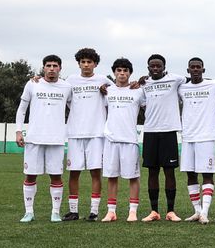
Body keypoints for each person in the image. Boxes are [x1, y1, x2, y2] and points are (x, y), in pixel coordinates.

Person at [15, 55, 72, 222]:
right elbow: (21, 109)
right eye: (48, 65)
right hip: (34, 138)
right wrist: (19, 131)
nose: (52, 68)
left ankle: (55, 212)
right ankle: (29, 212)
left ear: (60, 68)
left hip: (56, 139)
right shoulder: (33, 83)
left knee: (56, 176)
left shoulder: (67, 86)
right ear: (43, 68)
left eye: (55, 65)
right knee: (30, 175)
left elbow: (76, 108)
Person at [178, 57, 215, 224]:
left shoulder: (214, 85)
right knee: (190, 174)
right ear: (188, 70)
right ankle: (197, 211)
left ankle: (205, 212)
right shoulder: (182, 87)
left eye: (199, 67)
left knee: (207, 174)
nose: (196, 69)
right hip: (187, 137)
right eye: (193, 67)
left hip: (206, 136)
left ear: (203, 70)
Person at [139, 54, 186, 222]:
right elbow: (143, 104)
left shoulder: (176, 79)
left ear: (164, 67)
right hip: (150, 132)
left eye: (159, 66)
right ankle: (154, 211)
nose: (156, 68)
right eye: (152, 66)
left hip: (169, 131)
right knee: (152, 171)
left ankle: (171, 211)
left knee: (169, 171)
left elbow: (194, 80)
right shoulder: (144, 84)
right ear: (148, 68)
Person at [63, 48, 106, 221]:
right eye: (83, 62)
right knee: (74, 172)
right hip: (74, 133)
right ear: (79, 63)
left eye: (90, 62)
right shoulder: (70, 80)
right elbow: (62, 97)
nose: (86, 65)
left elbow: (120, 89)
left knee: (96, 172)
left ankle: (94, 212)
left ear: (95, 64)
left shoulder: (103, 80)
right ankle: (73, 211)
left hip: (96, 133)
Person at [101, 58, 145, 222]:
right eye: (119, 70)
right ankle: (111, 211)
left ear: (130, 73)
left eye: (125, 71)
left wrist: (141, 83)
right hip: (111, 140)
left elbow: (149, 104)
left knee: (133, 177)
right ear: (114, 73)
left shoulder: (138, 91)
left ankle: (132, 211)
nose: (122, 73)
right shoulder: (107, 91)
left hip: (130, 140)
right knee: (112, 176)